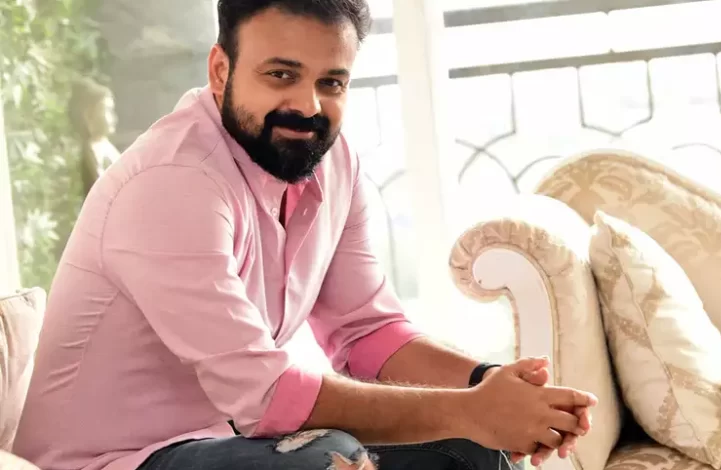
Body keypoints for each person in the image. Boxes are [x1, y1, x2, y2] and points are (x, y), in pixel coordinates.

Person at [13, 1, 599, 469]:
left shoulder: (332, 162)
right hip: (117, 460)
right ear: (220, 71)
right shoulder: (171, 182)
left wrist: (491, 387)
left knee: (471, 449)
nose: (307, 105)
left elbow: (368, 333)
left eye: (332, 83)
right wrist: (473, 410)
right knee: (329, 459)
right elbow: (267, 396)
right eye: (281, 75)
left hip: (228, 439)